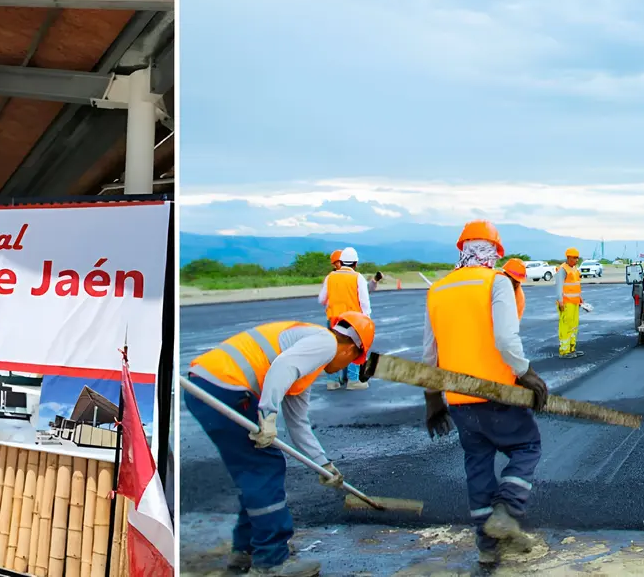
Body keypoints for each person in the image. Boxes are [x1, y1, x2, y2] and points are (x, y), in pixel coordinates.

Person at [184, 312, 376, 577]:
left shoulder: (305, 360)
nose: (348, 364)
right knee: (265, 469)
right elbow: (282, 365)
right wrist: (268, 414)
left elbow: (298, 424)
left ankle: (247, 550)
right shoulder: (326, 342)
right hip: (227, 386)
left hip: (207, 385)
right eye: (353, 359)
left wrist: (324, 464)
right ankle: (271, 562)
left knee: (254, 472)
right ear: (350, 348)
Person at [421, 220, 549, 572]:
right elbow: (506, 339)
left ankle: (487, 547)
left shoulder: (438, 289)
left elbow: (429, 352)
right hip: (499, 393)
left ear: (462, 249)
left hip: (459, 399)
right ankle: (507, 510)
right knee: (526, 447)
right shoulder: (497, 282)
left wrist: (433, 398)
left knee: (477, 465)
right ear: (495, 251)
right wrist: (526, 373)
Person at [317, 247, 372, 390]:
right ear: (355, 263)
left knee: (333, 349)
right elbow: (364, 302)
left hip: (333, 318)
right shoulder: (358, 278)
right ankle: (353, 381)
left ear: (340, 262)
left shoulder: (330, 277)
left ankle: (332, 381)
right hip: (352, 320)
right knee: (353, 349)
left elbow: (322, 299)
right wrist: (366, 319)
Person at [556, 248, 583, 358]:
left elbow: (575, 286)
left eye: (577, 258)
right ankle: (564, 351)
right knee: (565, 327)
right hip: (566, 303)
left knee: (573, 326)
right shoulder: (563, 270)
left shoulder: (574, 269)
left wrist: (580, 298)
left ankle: (572, 348)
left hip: (574, 302)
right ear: (568, 258)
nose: (576, 260)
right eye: (574, 258)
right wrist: (560, 301)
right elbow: (559, 287)